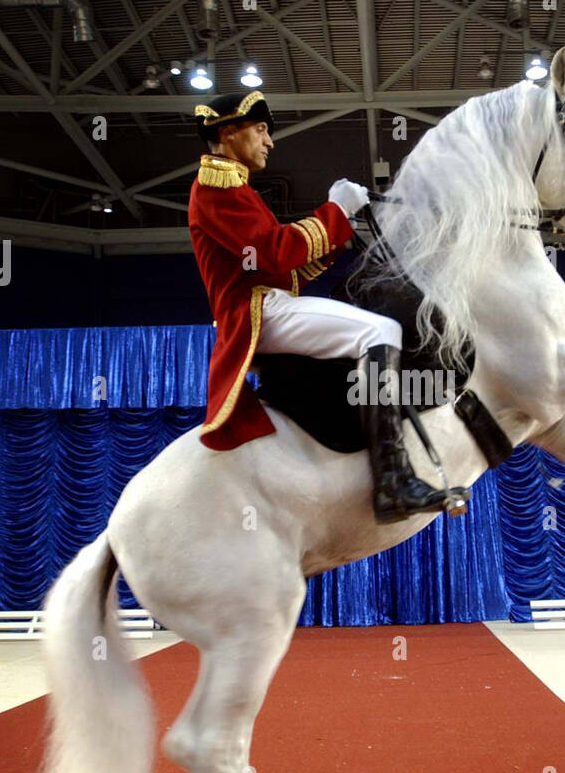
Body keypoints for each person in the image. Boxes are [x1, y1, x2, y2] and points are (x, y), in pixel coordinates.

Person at [188, 90, 466, 523]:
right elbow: (275, 251)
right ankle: (392, 476)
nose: (269, 141)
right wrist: (334, 211)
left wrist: (342, 232)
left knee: (377, 330)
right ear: (228, 132)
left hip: (271, 300)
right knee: (382, 332)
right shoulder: (216, 188)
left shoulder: (235, 188)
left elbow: (287, 272)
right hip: (257, 313)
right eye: (261, 130)